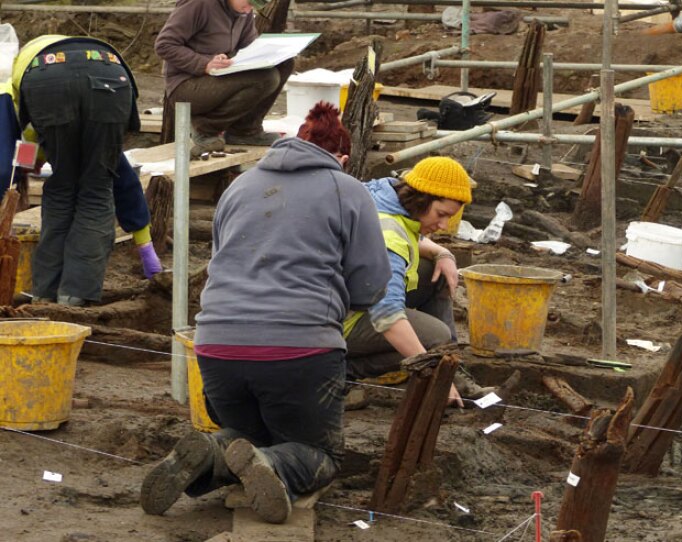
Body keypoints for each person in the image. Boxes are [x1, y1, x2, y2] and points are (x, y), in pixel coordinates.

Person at [140, 102, 390, 524]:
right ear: (341, 158)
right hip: (299, 348)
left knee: (248, 438)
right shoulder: (348, 189)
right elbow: (369, 285)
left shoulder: (240, 185)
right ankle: (273, 467)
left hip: (216, 347)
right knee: (320, 454)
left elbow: (222, 259)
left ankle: (211, 454)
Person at [345, 157, 490, 406]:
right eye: (441, 215)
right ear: (421, 198)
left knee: (435, 271)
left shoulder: (384, 195)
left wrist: (443, 253)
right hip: (336, 322)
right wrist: (430, 366)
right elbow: (387, 315)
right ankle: (342, 374)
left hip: (348, 300)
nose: (444, 226)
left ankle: (452, 370)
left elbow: (405, 232)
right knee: (435, 336)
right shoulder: (388, 234)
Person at [2, 58, 161, 283]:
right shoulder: (24, 116)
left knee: (69, 194)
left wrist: (27, 168)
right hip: (107, 78)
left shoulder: (31, 121)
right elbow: (124, 179)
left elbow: (17, 160)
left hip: (49, 83)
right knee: (94, 183)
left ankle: (55, 288)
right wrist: (145, 245)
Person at [155, 0, 288, 156]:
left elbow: (250, 48)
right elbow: (164, 44)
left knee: (283, 64)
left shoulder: (242, 11)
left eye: (255, 5)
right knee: (266, 77)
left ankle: (245, 130)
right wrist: (204, 64)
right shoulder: (199, 4)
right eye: (249, 2)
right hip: (185, 85)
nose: (249, 9)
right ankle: (205, 128)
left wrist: (275, 54)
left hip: (219, 76)